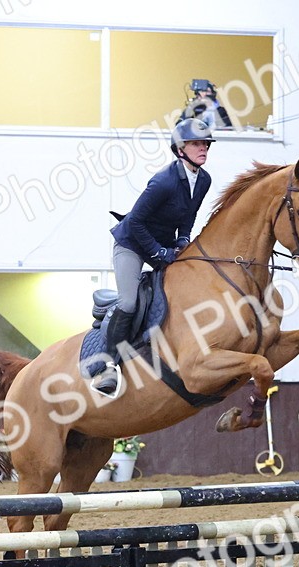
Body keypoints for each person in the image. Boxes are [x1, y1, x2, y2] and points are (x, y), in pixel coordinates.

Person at [92, 117, 214, 395]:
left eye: (205, 143)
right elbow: (135, 221)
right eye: (196, 143)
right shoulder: (163, 182)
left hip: (164, 243)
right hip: (132, 244)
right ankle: (108, 365)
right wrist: (159, 252)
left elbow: (189, 215)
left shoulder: (204, 180)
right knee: (128, 301)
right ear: (180, 148)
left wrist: (183, 240)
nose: (203, 148)